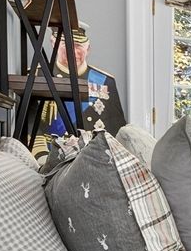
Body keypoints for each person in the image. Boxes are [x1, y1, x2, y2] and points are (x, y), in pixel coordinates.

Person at [33, 22, 126, 159]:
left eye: (78, 46)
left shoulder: (105, 81)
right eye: (66, 45)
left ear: (88, 49)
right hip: (53, 158)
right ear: (54, 43)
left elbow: (116, 127)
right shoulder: (38, 77)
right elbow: (30, 125)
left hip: (94, 158)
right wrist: (42, 157)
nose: (73, 52)